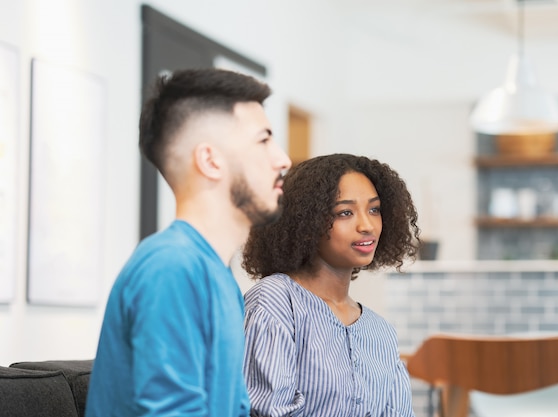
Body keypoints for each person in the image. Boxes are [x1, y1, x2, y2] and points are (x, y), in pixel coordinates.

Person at [85, 68, 291, 417]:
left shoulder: (217, 275)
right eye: (264, 139)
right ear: (210, 160)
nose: (282, 159)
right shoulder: (171, 268)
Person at [242, 153, 420, 417]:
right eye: (345, 212)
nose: (367, 225)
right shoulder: (277, 301)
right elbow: (265, 410)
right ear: (306, 222)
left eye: (374, 209)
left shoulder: (380, 332)